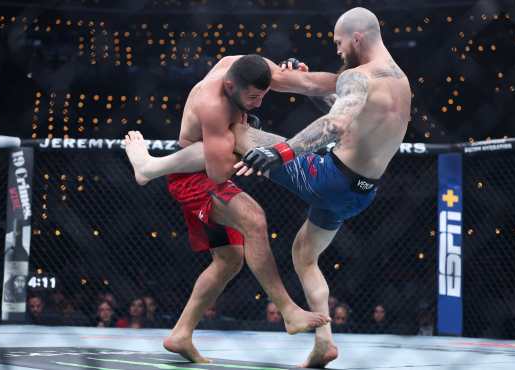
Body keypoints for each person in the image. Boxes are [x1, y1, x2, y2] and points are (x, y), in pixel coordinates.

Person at [125, 7, 411, 367]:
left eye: (338, 43)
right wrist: (301, 89)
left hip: (329, 178)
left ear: (356, 38)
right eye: (255, 96)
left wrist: (282, 151)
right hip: (362, 192)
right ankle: (323, 343)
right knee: (303, 255)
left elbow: (336, 120)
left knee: (241, 139)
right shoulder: (399, 80)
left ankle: (150, 166)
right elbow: (338, 103)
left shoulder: (356, 76)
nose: (337, 51)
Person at [126, 54, 334, 363]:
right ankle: (288, 311)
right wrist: (248, 144)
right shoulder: (214, 106)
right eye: (252, 97)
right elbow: (218, 172)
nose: (259, 103)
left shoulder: (245, 67)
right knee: (254, 219)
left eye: (263, 95)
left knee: (229, 260)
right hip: (194, 176)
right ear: (230, 86)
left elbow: (303, 83)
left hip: (205, 164)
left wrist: (349, 84)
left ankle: (181, 334)